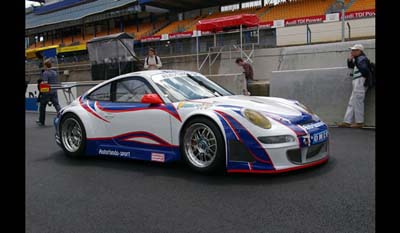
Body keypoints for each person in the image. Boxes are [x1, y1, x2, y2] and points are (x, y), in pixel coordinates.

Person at [337, 44, 371, 128]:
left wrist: (362, 80)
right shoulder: (358, 59)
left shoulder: (361, 59)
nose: (352, 52)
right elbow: (352, 66)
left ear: (359, 51)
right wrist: (350, 60)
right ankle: (347, 121)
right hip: (358, 81)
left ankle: (359, 122)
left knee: (358, 101)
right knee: (353, 101)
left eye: (354, 50)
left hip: (359, 81)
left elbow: (365, 70)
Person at [37, 59, 61, 126]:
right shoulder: (54, 72)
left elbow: (45, 83)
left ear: (45, 65)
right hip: (54, 90)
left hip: (48, 91)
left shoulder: (45, 73)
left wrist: (41, 85)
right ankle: (61, 117)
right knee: (56, 105)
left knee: (42, 105)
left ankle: (41, 121)